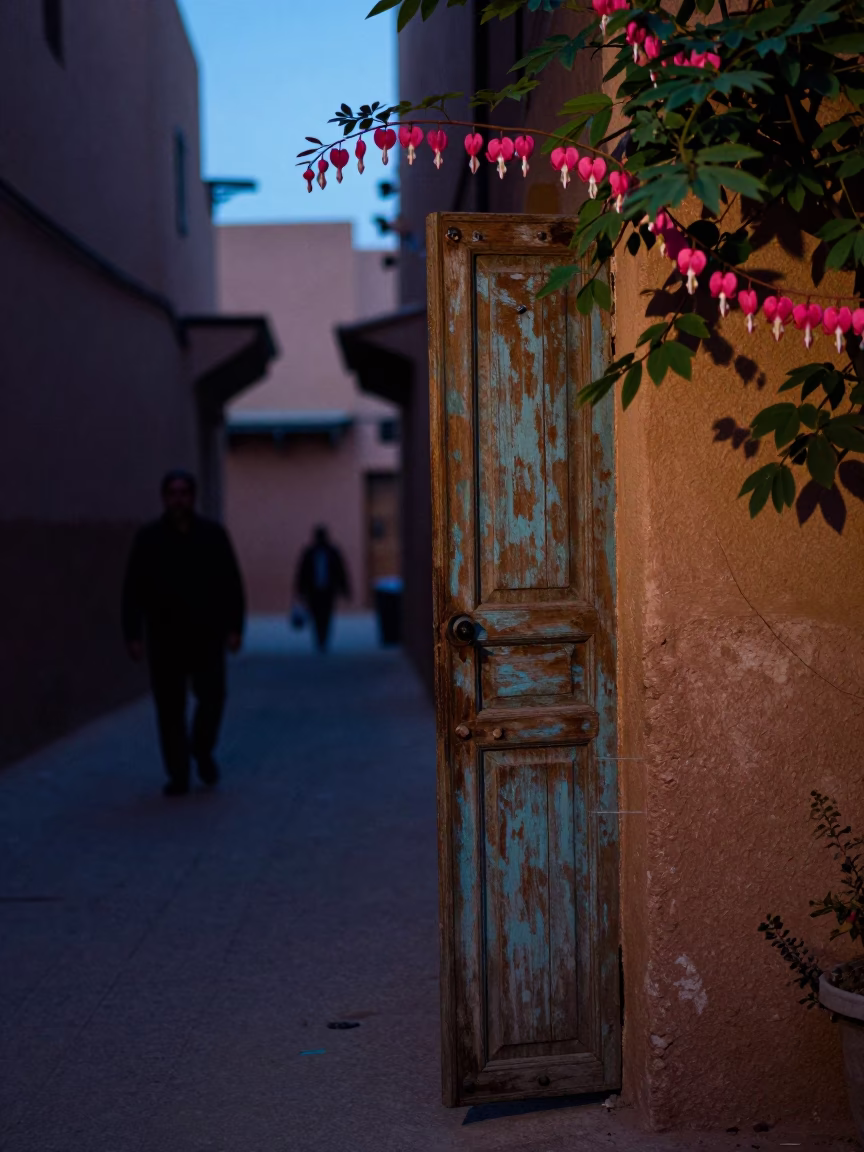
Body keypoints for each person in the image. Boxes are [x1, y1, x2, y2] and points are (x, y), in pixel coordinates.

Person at [122, 470, 245, 796]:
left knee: (213, 697)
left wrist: (235, 628)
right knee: (169, 708)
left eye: (184, 492)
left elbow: (231, 583)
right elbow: (133, 589)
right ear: (164, 498)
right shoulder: (148, 539)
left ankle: (202, 749)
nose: (179, 499)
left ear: (193, 496)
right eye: (173, 493)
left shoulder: (212, 535)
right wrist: (132, 634)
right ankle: (178, 773)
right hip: (165, 637)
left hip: (206, 635)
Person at [294, 526, 350, 652]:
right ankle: (319, 638)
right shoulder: (309, 553)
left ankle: (323, 638)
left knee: (327, 615)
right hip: (314, 591)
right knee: (316, 615)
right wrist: (300, 591)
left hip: (328, 590)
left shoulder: (332, 553)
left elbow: (340, 571)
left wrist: (344, 589)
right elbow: (302, 573)